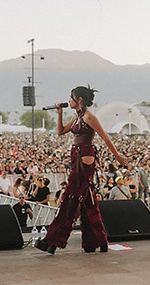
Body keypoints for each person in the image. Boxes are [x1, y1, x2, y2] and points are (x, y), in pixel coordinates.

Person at [35, 85, 128, 255]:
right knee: (87, 201)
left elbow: (105, 137)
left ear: (80, 100)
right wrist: (60, 114)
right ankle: (96, 241)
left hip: (84, 157)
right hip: (77, 157)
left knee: (70, 199)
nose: (68, 100)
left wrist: (118, 157)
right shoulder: (78, 117)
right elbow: (61, 131)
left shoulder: (89, 117)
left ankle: (52, 241)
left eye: (71, 97)